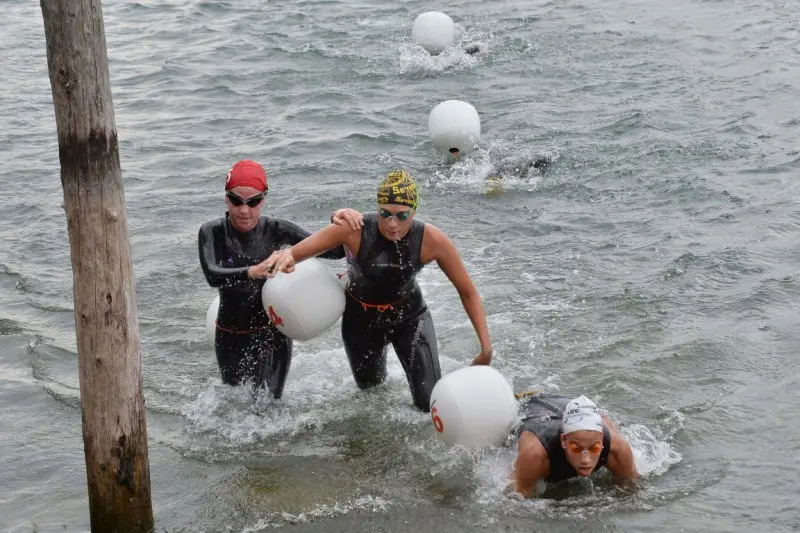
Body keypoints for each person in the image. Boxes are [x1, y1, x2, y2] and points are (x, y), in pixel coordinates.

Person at [253, 169, 493, 412]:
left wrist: (486, 348)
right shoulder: (356, 228)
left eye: (401, 216)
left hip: (409, 319)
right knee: (372, 397)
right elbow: (302, 249)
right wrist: (287, 256)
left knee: (428, 403)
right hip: (361, 322)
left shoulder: (432, 240)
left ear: (415, 210)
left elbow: (468, 292)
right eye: (384, 214)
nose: (391, 223)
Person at [198, 159, 363, 399]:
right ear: (226, 197)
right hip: (229, 336)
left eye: (253, 202)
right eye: (236, 200)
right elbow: (212, 275)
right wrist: (253, 271)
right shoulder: (212, 232)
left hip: (271, 336)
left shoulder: (277, 229)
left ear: (263, 199)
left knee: (268, 409)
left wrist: (338, 219)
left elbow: (335, 251)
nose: (245, 210)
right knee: (234, 409)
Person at [510, 393, 639, 497]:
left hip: (566, 403)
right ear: (563, 441)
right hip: (534, 409)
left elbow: (633, 494)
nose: (586, 460)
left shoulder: (618, 449)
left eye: (594, 448)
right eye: (576, 448)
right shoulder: (536, 454)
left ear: (601, 441)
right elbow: (513, 501)